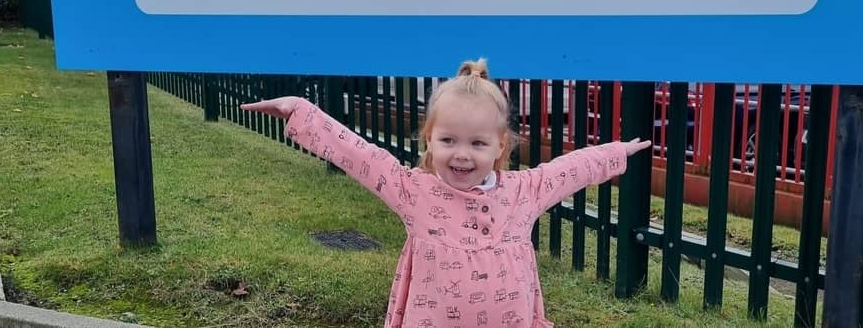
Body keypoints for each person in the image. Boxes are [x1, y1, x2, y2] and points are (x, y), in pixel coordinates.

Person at [241, 59, 651, 328]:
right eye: (449, 140)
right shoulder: (414, 190)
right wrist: (301, 110)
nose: (461, 155)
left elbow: (569, 169)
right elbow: (359, 154)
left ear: (500, 148)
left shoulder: (522, 192)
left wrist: (617, 151)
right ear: (429, 141)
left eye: (477, 144)